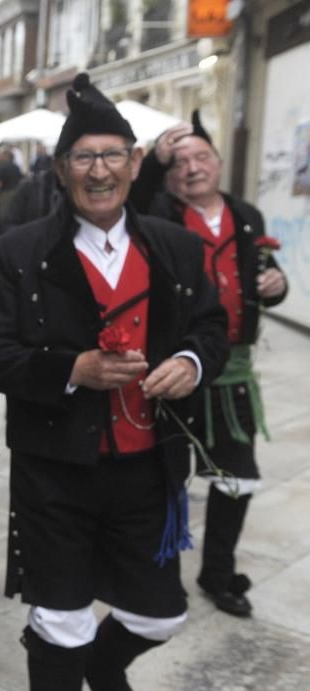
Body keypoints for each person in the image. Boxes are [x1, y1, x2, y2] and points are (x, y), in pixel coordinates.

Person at [0, 73, 229, 691]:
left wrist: (192, 362)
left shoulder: (174, 246)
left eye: (111, 155)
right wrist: (72, 369)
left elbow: (213, 327)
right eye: (83, 157)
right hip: (54, 470)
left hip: (148, 470)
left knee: (160, 614)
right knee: (62, 618)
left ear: (136, 162)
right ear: (61, 169)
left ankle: (99, 668)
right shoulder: (20, 250)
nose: (98, 171)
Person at [130, 110, 288, 618]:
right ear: (166, 173)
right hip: (177, 367)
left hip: (234, 371)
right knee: (166, 479)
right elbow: (131, 200)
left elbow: (262, 274)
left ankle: (217, 574)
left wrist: (277, 285)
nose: (192, 168)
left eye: (202, 157)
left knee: (237, 477)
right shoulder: (156, 216)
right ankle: (157, 575)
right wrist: (151, 162)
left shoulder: (247, 216)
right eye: (179, 161)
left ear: (219, 162)